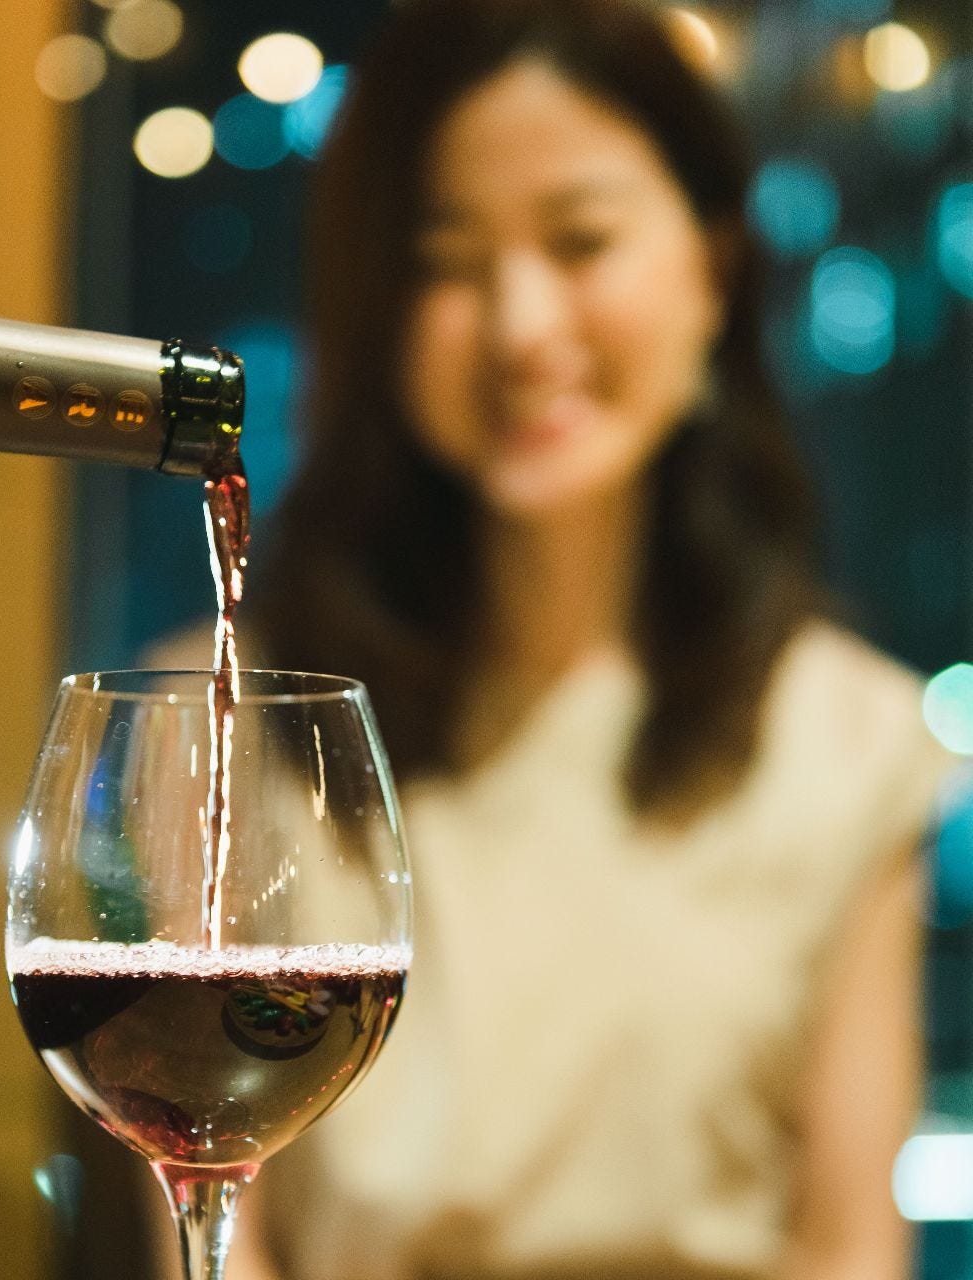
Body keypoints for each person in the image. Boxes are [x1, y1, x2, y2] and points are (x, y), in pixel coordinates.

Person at [204, 1, 959, 1278]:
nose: (519, 325)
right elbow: (214, 1231)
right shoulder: (244, 721)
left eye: (580, 241)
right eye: (445, 261)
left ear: (712, 269)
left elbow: (847, 1247)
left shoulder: (845, 738)